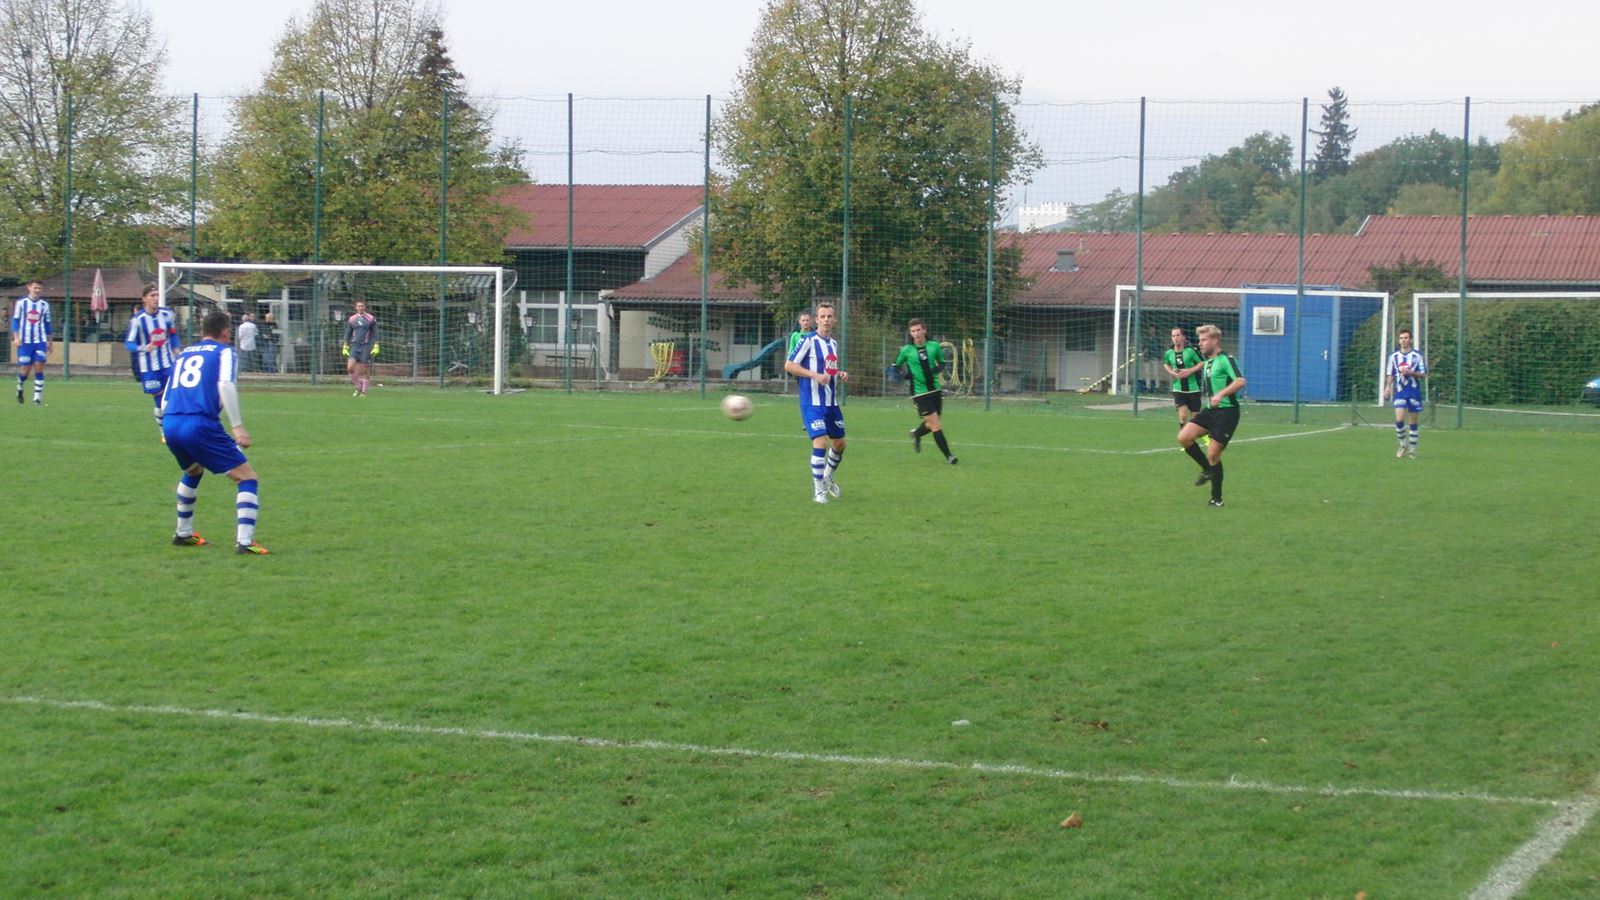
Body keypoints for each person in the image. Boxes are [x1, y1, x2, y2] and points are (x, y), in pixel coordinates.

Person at [158, 309, 267, 555]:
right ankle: (246, 543)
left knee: (193, 470)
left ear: (203, 331)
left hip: (171, 421)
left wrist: (166, 426)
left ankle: (183, 534)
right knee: (247, 478)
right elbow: (225, 384)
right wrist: (237, 425)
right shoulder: (225, 351)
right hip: (199, 424)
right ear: (226, 332)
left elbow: (166, 396)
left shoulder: (184, 353)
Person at [783, 301, 848, 504]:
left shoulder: (833, 344)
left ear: (834, 320)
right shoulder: (808, 340)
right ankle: (818, 492)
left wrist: (839, 373)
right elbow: (789, 365)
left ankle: (827, 476)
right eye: (822, 316)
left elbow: (828, 370)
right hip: (811, 401)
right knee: (821, 441)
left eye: (829, 316)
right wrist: (813, 375)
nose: (826, 320)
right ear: (816, 320)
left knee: (840, 443)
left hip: (831, 402)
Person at [1177, 323, 1246, 508]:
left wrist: (1221, 394)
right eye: (1199, 340)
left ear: (1215, 340)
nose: (1200, 343)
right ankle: (1207, 469)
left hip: (1227, 412)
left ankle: (1217, 499)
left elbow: (1241, 380)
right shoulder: (1207, 362)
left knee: (1213, 454)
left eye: (1203, 340)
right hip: (1210, 411)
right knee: (1184, 437)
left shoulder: (1226, 360)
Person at [893, 318, 957, 464]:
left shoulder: (934, 346)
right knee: (936, 425)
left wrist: (939, 368)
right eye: (913, 331)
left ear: (924, 330)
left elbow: (942, 362)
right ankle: (949, 456)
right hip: (920, 393)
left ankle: (916, 434)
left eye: (918, 330)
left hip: (935, 390)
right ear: (910, 333)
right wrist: (904, 374)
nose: (916, 333)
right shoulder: (906, 350)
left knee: (932, 422)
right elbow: (896, 365)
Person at [124, 283, 180, 433]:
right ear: (144, 299)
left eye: (157, 295)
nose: (156, 298)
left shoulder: (167, 314)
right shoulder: (138, 320)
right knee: (159, 400)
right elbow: (129, 343)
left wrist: (176, 348)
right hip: (149, 368)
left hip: (168, 363)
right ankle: (163, 430)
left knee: (172, 397)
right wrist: (143, 348)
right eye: (152, 296)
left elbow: (173, 334)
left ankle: (172, 428)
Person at [1383, 327, 1428, 459]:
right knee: (1399, 419)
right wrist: (1388, 387)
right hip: (1400, 391)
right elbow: (1390, 374)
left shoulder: (1418, 356)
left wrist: (1411, 373)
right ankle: (1403, 445)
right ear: (1399, 340)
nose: (1403, 340)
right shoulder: (1393, 357)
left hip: (1413, 391)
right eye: (1401, 338)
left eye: (1406, 338)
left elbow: (1424, 374)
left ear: (1411, 340)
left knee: (1413, 421)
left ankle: (1412, 450)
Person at [1161, 327, 1209, 449]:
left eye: (1178, 335)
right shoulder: (1169, 353)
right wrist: (1172, 373)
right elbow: (1166, 364)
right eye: (1173, 336)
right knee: (1183, 416)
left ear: (1183, 337)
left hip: (1193, 389)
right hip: (1178, 389)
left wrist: (1190, 371)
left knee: (1196, 417)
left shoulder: (1190, 351)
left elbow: (1202, 363)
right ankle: (1185, 441)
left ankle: (1205, 436)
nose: (1175, 338)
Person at [11, 280, 51, 405]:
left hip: (40, 341)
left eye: (39, 288)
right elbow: (15, 321)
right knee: (25, 371)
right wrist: (16, 337)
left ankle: (37, 398)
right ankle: (20, 386)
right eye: (35, 288)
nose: (37, 290)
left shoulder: (44, 305)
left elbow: (47, 324)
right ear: (29, 288)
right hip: (25, 342)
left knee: (39, 366)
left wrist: (50, 342)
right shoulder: (21, 303)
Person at [342, 301, 380, 396]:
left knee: (364, 369)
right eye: (359, 306)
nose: (360, 308)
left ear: (365, 307)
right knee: (350, 368)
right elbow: (348, 333)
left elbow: (375, 332)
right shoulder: (352, 319)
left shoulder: (370, 318)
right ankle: (358, 386)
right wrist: (345, 346)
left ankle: (364, 391)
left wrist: (376, 345)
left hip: (366, 346)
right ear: (356, 308)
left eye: (362, 306)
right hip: (354, 346)